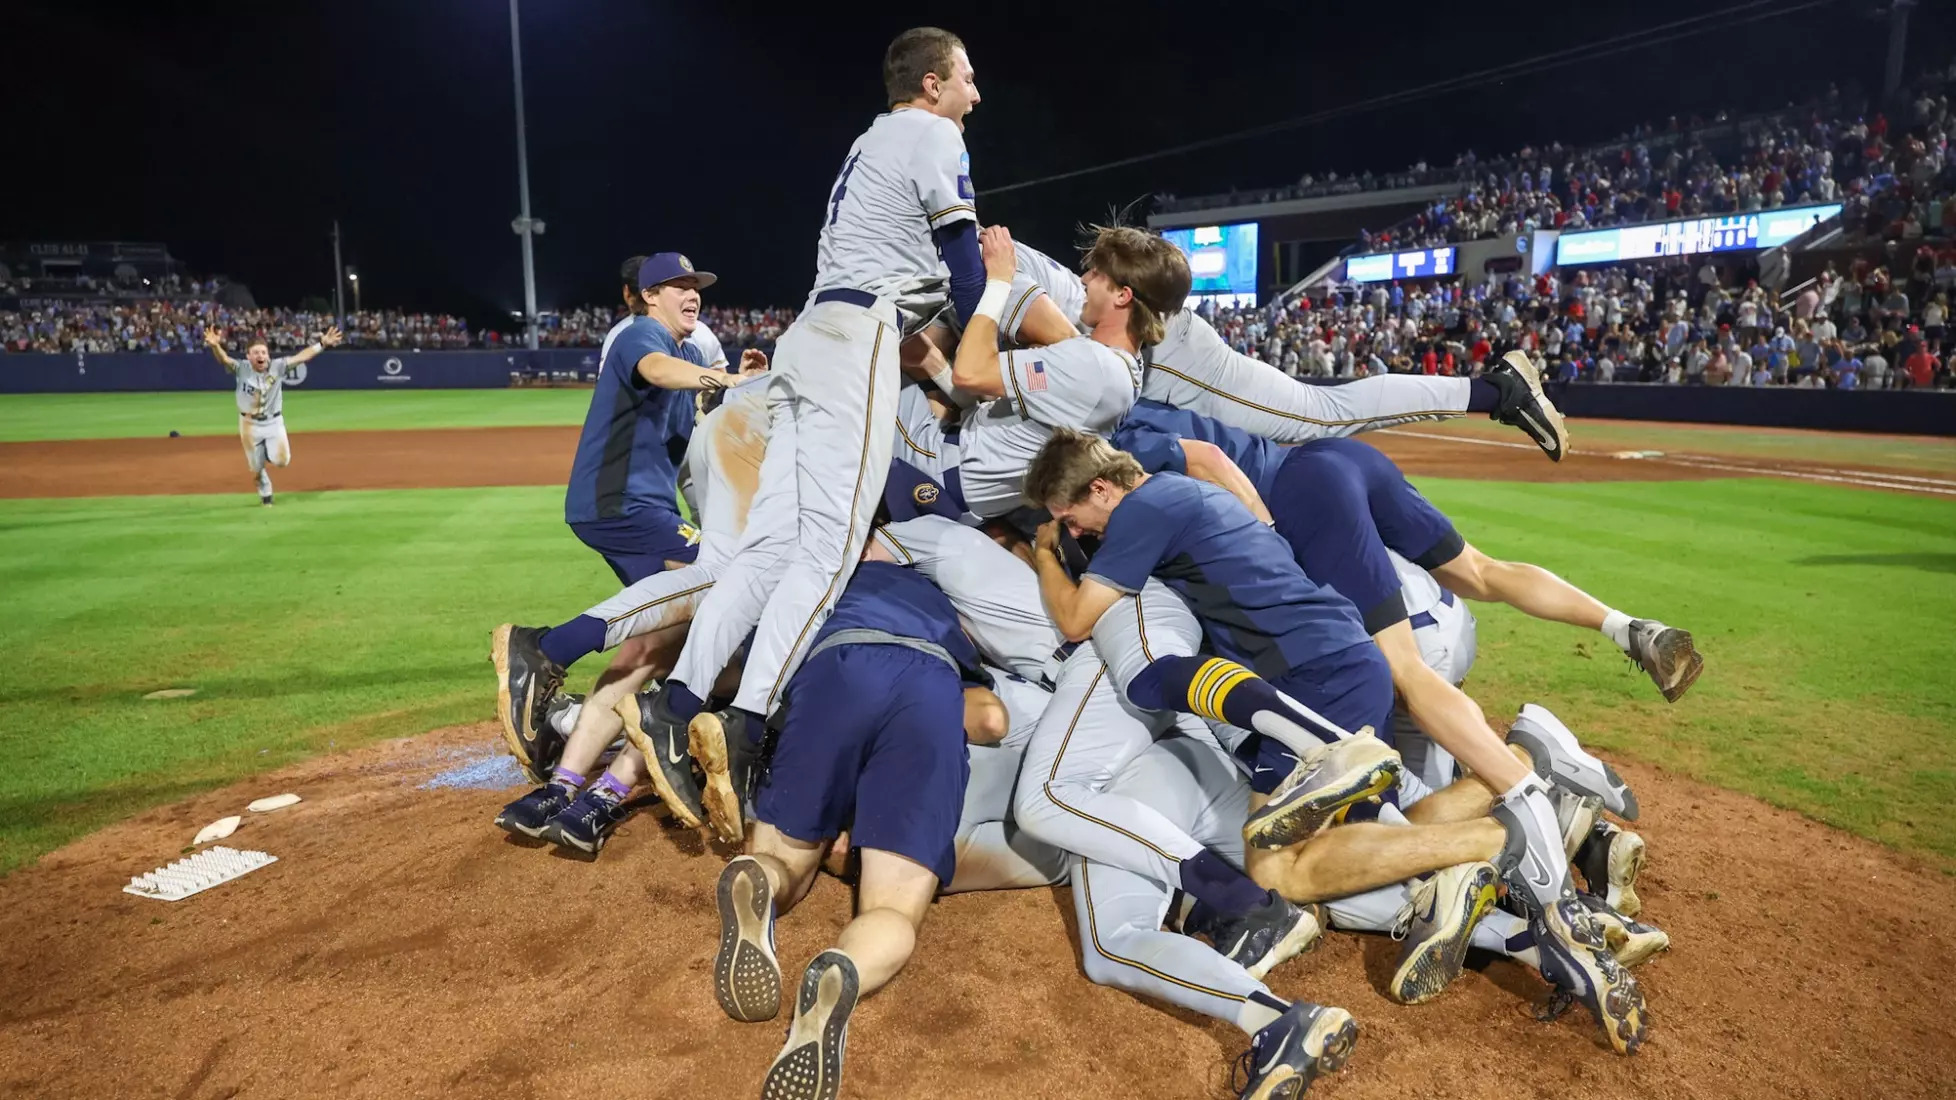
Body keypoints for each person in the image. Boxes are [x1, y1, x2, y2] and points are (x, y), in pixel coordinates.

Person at [1022, 429, 1647, 1055]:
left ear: (1101, 489)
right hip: (1343, 657)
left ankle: (1488, 840)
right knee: (1374, 831)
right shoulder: (1190, 492)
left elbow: (1078, 618)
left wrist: (1046, 554)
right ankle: (1522, 768)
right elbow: (1249, 511)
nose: (1076, 532)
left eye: (1071, 517)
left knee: (1279, 869)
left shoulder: (1139, 513)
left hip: (1309, 677)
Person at [633, 27, 988, 777]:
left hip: (811, 332)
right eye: (965, 78)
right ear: (931, 84)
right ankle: (747, 722)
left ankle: (674, 709)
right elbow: (964, 268)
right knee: (827, 554)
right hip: (856, 338)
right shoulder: (934, 135)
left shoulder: (874, 139)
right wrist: (982, 345)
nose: (974, 94)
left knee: (771, 547)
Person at [708, 560, 987, 1099]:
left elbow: (740, 666)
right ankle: (843, 967)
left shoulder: (816, 571)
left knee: (788, 860)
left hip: (834, 666)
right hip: (931, 682)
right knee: (893, 910)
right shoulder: (941, 596)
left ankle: (760, 878)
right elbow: (992, 718)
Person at [488, 253, 749, 792]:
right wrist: (722, 376)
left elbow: (696, 430)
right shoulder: (641, 336)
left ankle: (567, 727)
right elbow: (656, 371)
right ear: (649, 295)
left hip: (643, 508)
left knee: (671, 629)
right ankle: (544, 648)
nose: (691, 292)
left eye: (695, 284)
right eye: (678, 284)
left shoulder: (681, 349)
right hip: (621, 504)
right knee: (729, 570)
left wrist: (735, 392)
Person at [201, 323, 343, 505]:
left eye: (263, 352)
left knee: (283, 460)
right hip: (248, 424)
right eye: (256, 352)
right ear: (248, 356)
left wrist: (322, 344)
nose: (260, 356)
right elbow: (224, 360)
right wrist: (215, 345)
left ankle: (265, 455)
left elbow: (301, 357)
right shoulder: (242, 368)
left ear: (268, 354)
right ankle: (266, 495)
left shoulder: (278, 366)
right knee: (256, 468)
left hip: (273, 422)